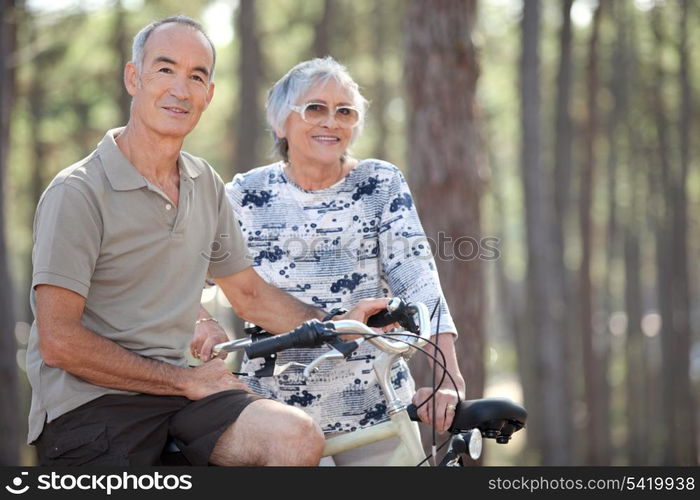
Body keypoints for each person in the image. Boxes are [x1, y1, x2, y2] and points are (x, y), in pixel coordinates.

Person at [26, 17, 388, 467]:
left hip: (186, 398)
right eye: (165, 69)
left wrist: (336, 324)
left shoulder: (204, 183)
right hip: (92, 404)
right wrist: (182, 380)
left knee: (295, 436)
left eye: (196, 76)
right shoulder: (77, 192)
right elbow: (59, 341)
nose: (181, 89)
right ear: (133, 77)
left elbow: (251, 295)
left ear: (209, 94)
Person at [217, 57, 466, 465]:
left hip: (377, 404)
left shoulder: (378, 184)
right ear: (282, 124)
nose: (331, 122)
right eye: (315, 108)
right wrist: (202, 321)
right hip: (275, 417)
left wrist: (447, 375)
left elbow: (418, 278)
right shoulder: (245, 194)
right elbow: (183, 273)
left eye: (344, 111)